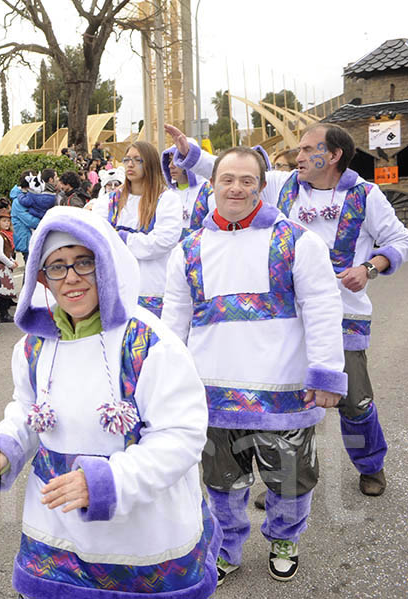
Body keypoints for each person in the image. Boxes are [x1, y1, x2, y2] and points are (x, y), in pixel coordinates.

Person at [0, 206, 219, 599]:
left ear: (106, 263)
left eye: (82, 262)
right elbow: (28, 410)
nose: (70, 277)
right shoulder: (34, 346)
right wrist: (6, 446)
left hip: (141, 535)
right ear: (42, 278)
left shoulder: (150, 343)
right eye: (57, 266)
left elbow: (181, 437)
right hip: (58, 532)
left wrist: (107, 482)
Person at [167, 122, 408, 498]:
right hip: (289, 314)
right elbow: (236, 175)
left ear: (332, 156)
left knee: (354, 400)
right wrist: (191, 153)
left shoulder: (366, 195)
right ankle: (282, 476)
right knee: (281, 399)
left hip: (344, 312)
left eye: (308, 148)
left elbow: (398, 239)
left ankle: (370, 465)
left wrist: (370, 267)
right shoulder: (284, 185)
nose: (298, 156)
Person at [162, 146, 347, 584]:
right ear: (212, 185)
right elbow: (173, 324)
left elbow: (322, 307)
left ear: (262, 187)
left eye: (248, 180)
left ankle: (285, 538)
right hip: (212, 395)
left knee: (290, 479)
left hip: (283, 390)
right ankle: (225, 547)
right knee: (222, 482)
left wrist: (324, 374)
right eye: (228, 179)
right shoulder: (187, 250)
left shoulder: (296, 241)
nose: (237, 188)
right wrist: (166, 387)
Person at [90, 141, 182, 317]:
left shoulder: (167, 200)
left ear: (150, 163)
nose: (130, 164)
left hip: (153, 289)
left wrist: (122, 238)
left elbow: (162, 242)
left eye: (138, 160)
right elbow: (99, 239)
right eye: (127, 159)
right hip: (117, 289)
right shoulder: (108, 202)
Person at [160, 144, 215, 240]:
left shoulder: (207, 190)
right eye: (169, 161)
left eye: (176, 160)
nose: (170, 166)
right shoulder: (166, 195)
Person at [0, 208, 17, 323]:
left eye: (8, 221)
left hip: (4, 266)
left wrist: (12, 260)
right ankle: (3, 314)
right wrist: (10, 263)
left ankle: (4, 313)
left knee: (6, 290)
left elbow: (7, 252)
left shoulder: (6, 235)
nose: (7, 223)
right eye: (4, 221)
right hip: (0, 267)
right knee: (3, 291)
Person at [11, 171, 40, 263]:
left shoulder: (27, 197)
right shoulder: (18, 201)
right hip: (26, 239)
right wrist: (44, 221)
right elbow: (29, 220)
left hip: (31, 237)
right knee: (31, 270)